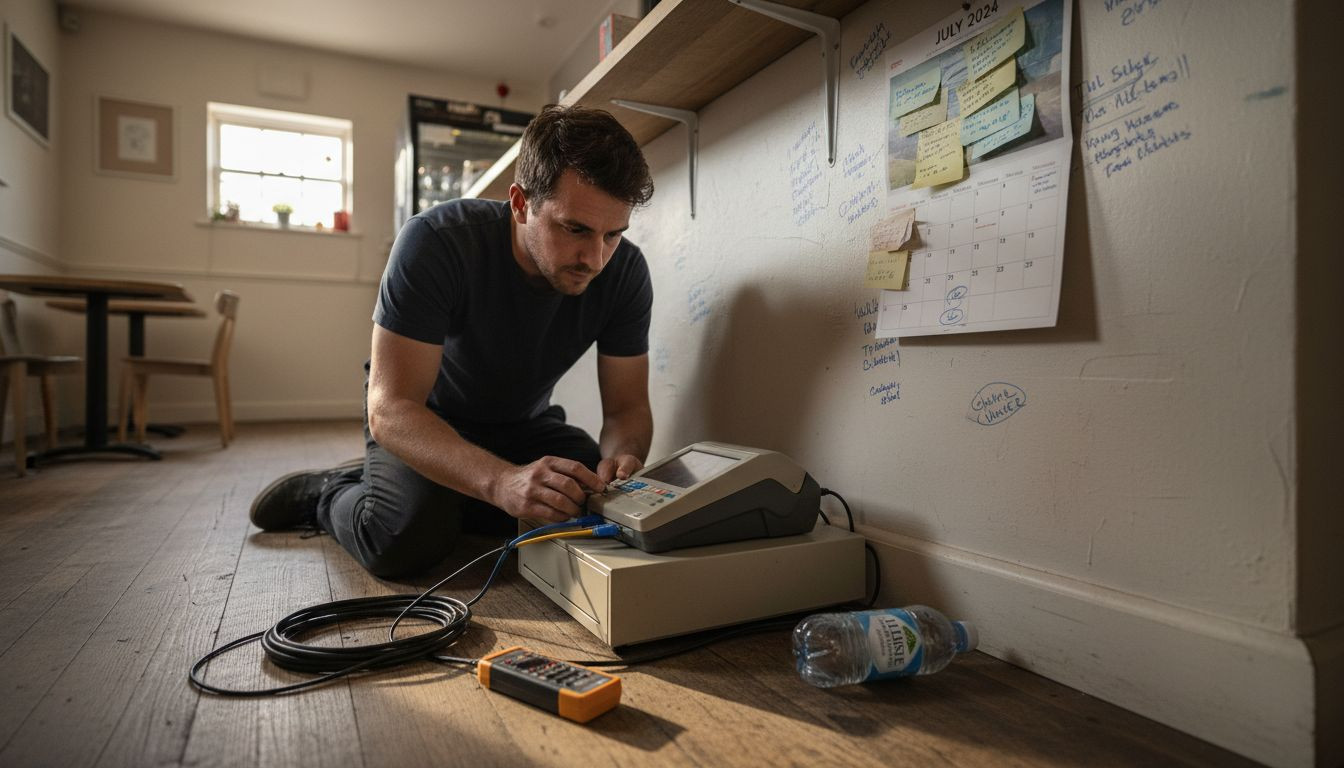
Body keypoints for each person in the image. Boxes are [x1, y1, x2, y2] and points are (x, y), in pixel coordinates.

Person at [248, 105, 656, 578]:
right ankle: (330, 491)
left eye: (613, 235)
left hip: (524, 423)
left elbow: (627, 411)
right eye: (576, 229)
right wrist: (501, 481)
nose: (595, 258)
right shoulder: (436, 241)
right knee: (405, 541)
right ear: (521, 203)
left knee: (581, 501)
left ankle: (436, 495)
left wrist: (621, 467)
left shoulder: (625, 272)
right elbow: (391, 408)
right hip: (424, 417)